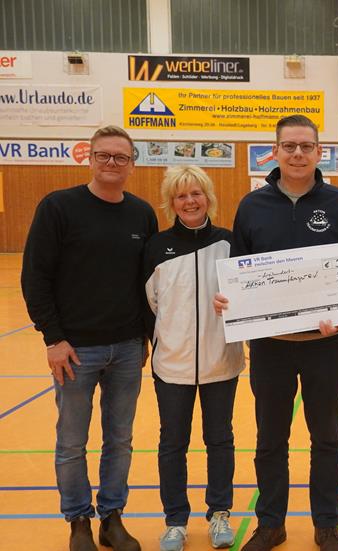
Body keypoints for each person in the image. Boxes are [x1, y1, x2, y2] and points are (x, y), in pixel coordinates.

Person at [214, 114, 338, 551]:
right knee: (270, 442)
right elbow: (238, 272)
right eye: (289, 146)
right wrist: (228, 299)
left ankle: (327, 525)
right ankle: (271, 525)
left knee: (327, 440)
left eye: (306, 146)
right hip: (271, 349)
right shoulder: (252, 206)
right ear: (275, 151)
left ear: (319, 152)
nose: (298, 154)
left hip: (327, 346)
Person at [21, 125, 158, 551]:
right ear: (90, 158)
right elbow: (35, 277)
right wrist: (53, 339)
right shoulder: (58, 207)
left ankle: (111, 518)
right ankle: (78, 520)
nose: (112, 163)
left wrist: (145, 337)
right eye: (104, 155)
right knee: (71, 442)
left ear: (132, 164)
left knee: (120, 440)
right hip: (74, 350)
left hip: (128, 349)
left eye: (121, 157)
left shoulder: (142, 214)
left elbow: (148, 282)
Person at [143, 166, 245, 551]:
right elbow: (150, 303)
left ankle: (220, 513)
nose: (190, 201)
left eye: (196, 193)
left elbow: (245, 298)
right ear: (171, 202)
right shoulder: (156, 247)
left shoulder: (229, 243)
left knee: (220, 439)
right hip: (172, 365)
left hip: (221, 362)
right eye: (181, 195)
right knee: (173, 443)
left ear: (208, 197)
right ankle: (175, 521)